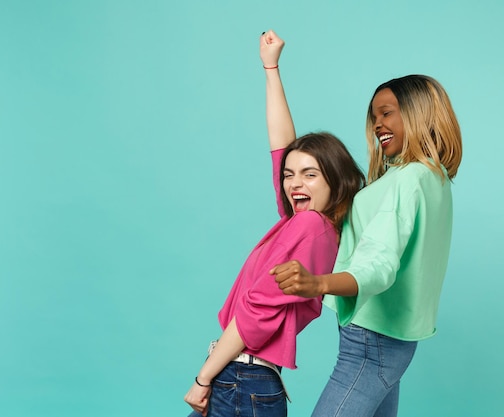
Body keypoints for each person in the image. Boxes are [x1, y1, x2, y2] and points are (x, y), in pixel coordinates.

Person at [184, 30, 365, 417]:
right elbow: (282, 145)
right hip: (243, 379)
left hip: (240, 379)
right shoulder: (304, 225)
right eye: (289, 175)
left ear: (336, 179)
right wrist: (271, 68)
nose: (294, 182)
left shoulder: (309, 227)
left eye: (310, 175)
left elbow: (255, 313)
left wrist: (203, 379)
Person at [271, 74, 463, 416]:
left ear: (417, 113)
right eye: (374, 116)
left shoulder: (408, 179)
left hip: (371, 342)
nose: (378, 124)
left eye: (387, 113)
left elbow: (379, 265)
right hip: (391, 340)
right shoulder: (434, 179)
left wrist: (318, 283)